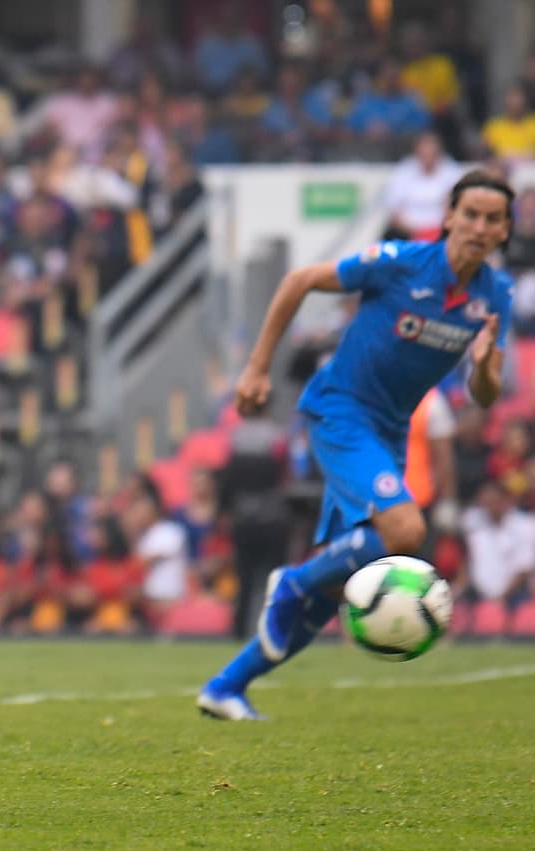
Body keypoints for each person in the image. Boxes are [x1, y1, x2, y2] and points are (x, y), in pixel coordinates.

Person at [197, 170, 513, 720]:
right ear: (448, 217)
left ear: (506, 229)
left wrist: (484, 366)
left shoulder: (495, 296)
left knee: (338, 586)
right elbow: (299, 280)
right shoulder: (400, 263)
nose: (479, 227)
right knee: (406, 532)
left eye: (492, 219)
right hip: (342, 410)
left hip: (388, 430)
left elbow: (483, 396)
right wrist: (256, 368)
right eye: (470, 215)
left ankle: (226, 687)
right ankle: (292, 581)